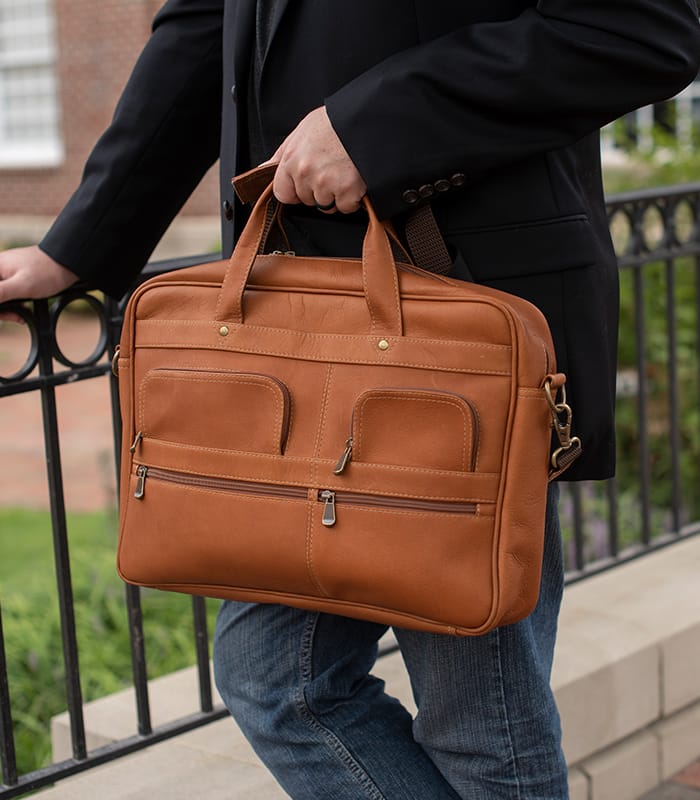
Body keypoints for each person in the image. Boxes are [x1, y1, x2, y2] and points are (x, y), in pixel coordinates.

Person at [1, 2, 699, 797]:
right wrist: (78, 246)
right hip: (299, 321)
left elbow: (640, 29)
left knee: (477, 730)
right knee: (274, 680)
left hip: (459, 322)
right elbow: (203, 25)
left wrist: (375, 129)